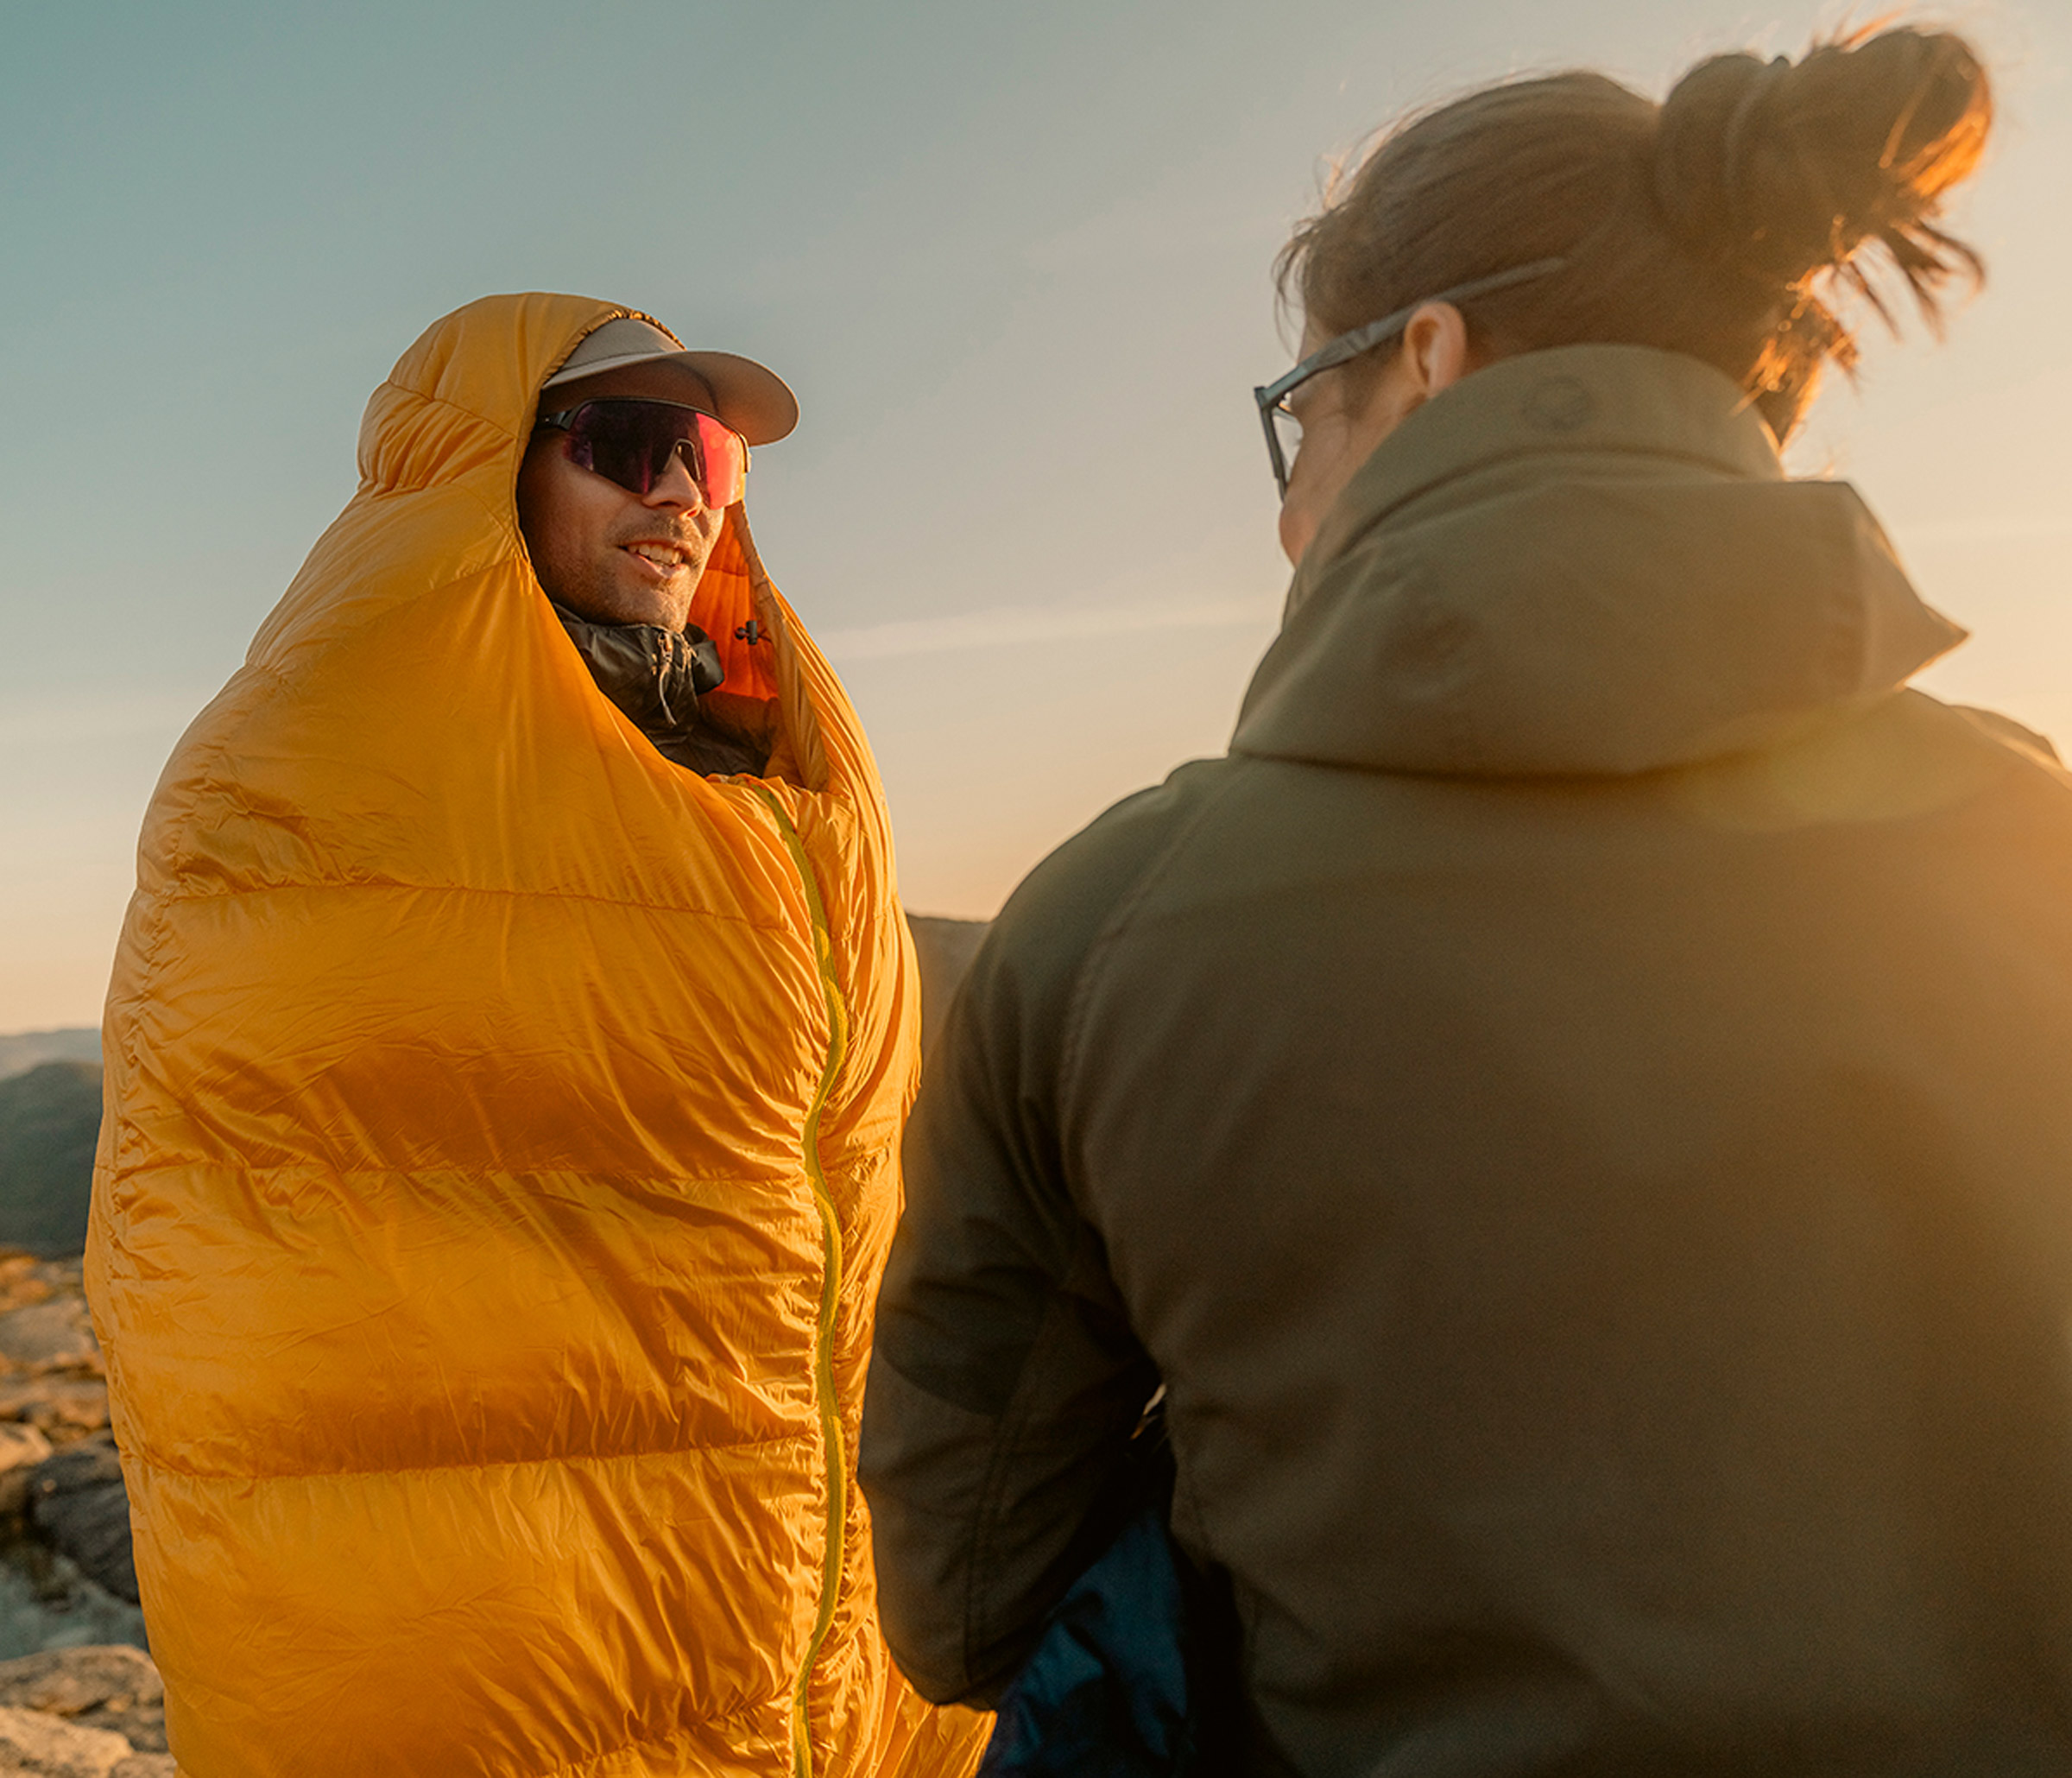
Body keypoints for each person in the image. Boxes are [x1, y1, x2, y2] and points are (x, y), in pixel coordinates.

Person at [858, 25, 2072, 1775]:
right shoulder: (2028, 843)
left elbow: (970, 1600)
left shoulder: (1111, 928)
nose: (1288, 524)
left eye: (1301, 420)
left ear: (1423, 358)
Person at [85, 294, 989, 1778]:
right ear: (493, 472)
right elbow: (228, 1230)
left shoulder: (766, 764)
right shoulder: (316, 760)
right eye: (627, 444)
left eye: (705, 455)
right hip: (503, 1592)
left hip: (804, 1550)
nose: (682, 494)